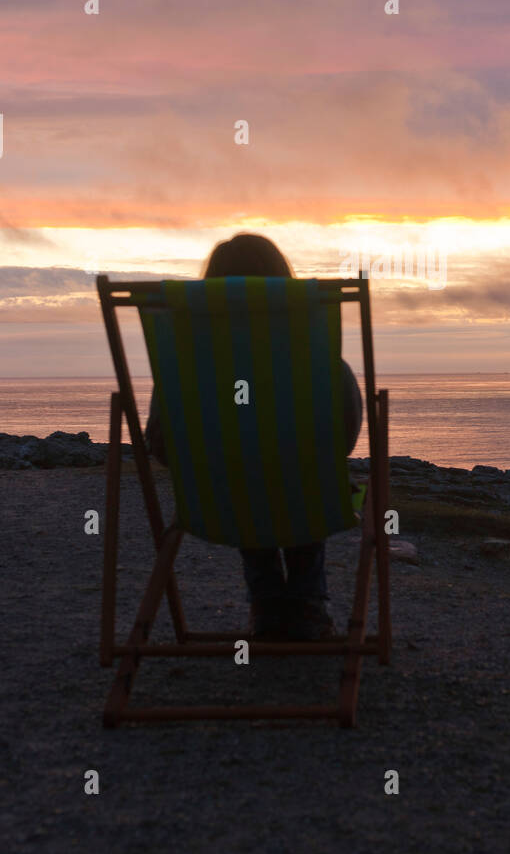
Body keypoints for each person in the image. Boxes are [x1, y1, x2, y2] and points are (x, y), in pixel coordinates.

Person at [145, 234, 362, 641]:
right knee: (304, 475)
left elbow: (158, 442)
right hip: (315, 495)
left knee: (243, 473)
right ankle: (308, 607)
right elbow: (342, 435)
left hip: (213, 500)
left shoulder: (185, 371)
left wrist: (208, 460)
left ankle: (267, 605)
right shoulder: (317, 365)